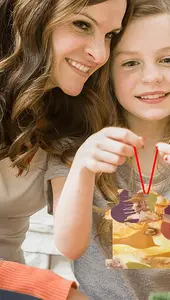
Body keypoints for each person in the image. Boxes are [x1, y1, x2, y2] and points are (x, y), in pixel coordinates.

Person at [45, 0, 170, 299]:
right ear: (108, 75)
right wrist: (83, 169)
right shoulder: (76, 151)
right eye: (130, 63)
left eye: (168, 59)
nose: (152, 76)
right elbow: (69, 246)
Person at [0, 0, 132, 298]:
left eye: (110, 35)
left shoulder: (72, 116)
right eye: (82, 25)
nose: (100, 54)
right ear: (32, 14)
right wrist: (58, 292)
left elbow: (81, 242)